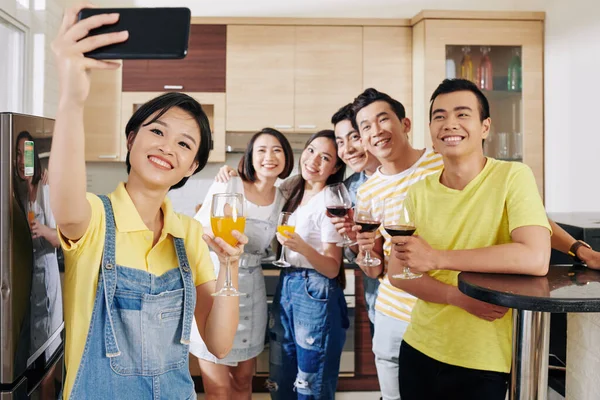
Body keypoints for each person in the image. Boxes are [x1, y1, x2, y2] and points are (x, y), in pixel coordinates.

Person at [49, 7, 246, 399]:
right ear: (131, 139)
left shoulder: (188, 234)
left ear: (191, 167)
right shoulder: (93, 219)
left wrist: (230, 268)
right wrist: (72, 98)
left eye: (184, 144)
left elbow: (219, 343)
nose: (166, 146)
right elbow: (64, 202)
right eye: (157, 130)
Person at [388, 78, 552, 399]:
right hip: (419, 346)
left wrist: (437, 259)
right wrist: (456, 297)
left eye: (462, 114)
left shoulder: (513, 177)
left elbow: (534, 258)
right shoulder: (419, 192)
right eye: (439, 116)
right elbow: (398, 273)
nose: (449, 123)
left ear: (485, 127)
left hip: (483, 357)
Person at [348, 88, 444, 400]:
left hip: (443, 309)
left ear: (405, 124)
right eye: (365, 127)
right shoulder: (368, 192)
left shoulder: (443, 166)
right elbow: (375, 268)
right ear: (362, 141)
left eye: (382, 120)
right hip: (392, 315)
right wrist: (363, 249)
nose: (375, 131)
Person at [190, 128, 294, 400]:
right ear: (250, 156)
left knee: (243, 381)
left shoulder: (283, 198)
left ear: (286, 158)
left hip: (252, 290)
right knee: (218, 388)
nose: (269, 157)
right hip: (216, 283)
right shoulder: (229, 184)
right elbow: (198, 230)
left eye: (277, 150)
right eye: (261, 150)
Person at [266, 130, 348, 400]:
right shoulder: (294, 189)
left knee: (310, 380)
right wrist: (230, 177)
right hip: (288, 284)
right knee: (282, 374)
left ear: (335, 167)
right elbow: (258, 184)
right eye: (311, 150)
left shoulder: (331, 200)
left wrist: (302, 247)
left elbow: (332, 268)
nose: (313, 161)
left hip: (315, 289)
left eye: (325, 157)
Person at [327, 103, 381, 338]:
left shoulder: (411, 177)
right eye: (340, 142)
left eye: (354, 137)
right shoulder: (349, 190)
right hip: (379, 304)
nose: (347, 149)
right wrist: (351, 238)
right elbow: (361, 257)